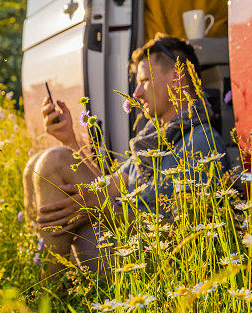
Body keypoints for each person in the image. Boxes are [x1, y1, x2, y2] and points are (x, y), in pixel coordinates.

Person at [22, 34, 231, 282]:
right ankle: (48, 286)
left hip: (154, 265)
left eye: (144, 80)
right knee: (35, 166)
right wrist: (70, 140)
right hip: (123, 243)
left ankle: (46, 298)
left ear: (176, 77)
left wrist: (102, 209)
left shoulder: (201, 143)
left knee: (55, 161)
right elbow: (106, 186)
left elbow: (181, 237)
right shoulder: (154, 139)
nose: (137, 92)